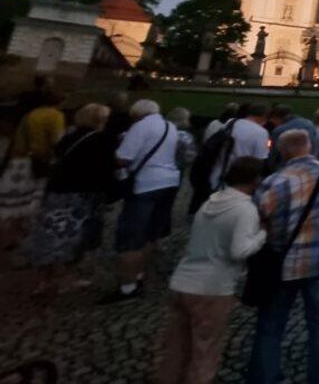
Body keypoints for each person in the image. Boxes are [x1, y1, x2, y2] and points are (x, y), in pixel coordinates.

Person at [242, 130, 319, 384]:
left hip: (282, 266)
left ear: (281, 151)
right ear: (309, 147)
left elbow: (258, 223)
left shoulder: (273, 183)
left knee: (269, 332)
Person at [157, 156, 267, 384]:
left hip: (183, 280)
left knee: (176, 352)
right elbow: (240, 250)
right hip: (212, 288)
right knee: (203, 356)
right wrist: (264, 234)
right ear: (254, 181)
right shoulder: (244, 209)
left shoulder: (212, 201)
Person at [25, 103, 117, 295]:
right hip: (83, 196)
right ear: (100, 120)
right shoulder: (103, 140)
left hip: (57, 192)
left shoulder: (68, 138)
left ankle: (43, 280)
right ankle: (66, 278)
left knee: (49, 235)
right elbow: (106, 170)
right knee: (76, 238)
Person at [100, 100, 180, 304]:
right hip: (169, 182)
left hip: (145, 184)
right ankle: (138, 275)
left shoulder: (140, 126)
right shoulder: (170, 126)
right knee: (150, 234)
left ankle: (127, 288)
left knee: (130, 237)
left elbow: (123, 158)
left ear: (136, 115)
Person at [0, 89, 65, 249]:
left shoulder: (32, 113)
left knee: (10, 202)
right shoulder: (55, 116)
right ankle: (11, 238)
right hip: (36, 162)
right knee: (27, 203)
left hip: (17, 159)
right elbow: (57, 141)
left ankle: (9, 235)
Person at [218, 104, 270, 188]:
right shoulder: (261, 132)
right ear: (263, 116)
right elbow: (259, 160)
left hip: (219, 175)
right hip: (241, 181)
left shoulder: (229, 123)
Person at [168, 107, 198, 173]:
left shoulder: (161, 132)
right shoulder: (185, 136)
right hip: (176, 170)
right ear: (183, 120)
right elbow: (190, 156)